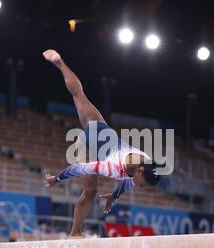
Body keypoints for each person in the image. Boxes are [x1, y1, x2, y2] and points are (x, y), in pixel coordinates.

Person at [42, 49, 161, 238]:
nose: (142, 187)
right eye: (144, 184)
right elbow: (79, 168)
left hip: (102, 129)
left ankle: (60, 62)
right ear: (139, 171)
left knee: (79, 95)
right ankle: (75, 233)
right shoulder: (115, 169)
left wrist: (114, 196)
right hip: (88, 143)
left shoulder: (145, 161)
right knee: (90, 191)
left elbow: (129, 182)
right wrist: (56, 179)